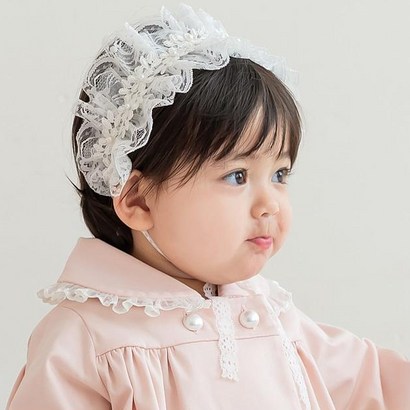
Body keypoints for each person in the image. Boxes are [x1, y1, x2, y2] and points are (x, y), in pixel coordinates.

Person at [6, 3, 410, 409]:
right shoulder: (86, 342)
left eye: (279, 174)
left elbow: (373, 382)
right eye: (237, 176)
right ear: (138, 200)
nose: (269, 204)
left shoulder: (270, 314)